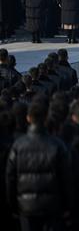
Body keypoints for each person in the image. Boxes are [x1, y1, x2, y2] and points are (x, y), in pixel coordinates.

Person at [5, 99, 72, 231]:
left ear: (28, 118)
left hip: (26, 207)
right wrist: (67, 205)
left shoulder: (18, 145)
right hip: (52, 206)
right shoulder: (57, 145)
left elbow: (10, 178)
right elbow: (66, 179)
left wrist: (13, 205)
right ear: (46, 118)